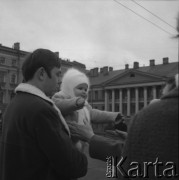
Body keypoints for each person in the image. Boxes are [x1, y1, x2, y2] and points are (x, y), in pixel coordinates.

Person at [0, 49, 87, 180]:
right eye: (57, 74)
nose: (59, 81)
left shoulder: (15, 103)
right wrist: (80, 141)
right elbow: (73, 165)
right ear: (41, 73)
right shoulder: (41, 110)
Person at [52, 68, 125, 151]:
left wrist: (113, 116)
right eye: (80, 88)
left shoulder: (85, 105)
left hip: (81, 141)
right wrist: (75, 102)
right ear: (69, 88)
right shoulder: (61, 96)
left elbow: (94, 114)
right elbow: (57, 105)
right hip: (64, 141)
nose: (84, 92)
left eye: (86, 90)